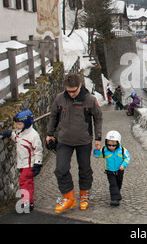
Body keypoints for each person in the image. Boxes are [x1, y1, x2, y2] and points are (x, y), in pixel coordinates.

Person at [46, 73, 103, 213]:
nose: (71, 94)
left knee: (84, 169)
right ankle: (68, 197)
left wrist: (98, 137)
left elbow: (98, 117)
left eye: (74, 91)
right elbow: (53, 116)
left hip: (83, 141)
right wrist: (49, 134)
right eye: (68, 91)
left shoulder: (90, 100)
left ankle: (84, 195)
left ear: (80, 86)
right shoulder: (60, 98)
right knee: (60, 169)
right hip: (64, 140)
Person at [0, 110, 43, 212]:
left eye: (19, 124)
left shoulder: (33, 136)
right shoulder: (20, 132)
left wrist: (38, 163)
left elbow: (38, 150)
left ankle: (26, 202)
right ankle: (30, 201)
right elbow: (18, 140)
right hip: (22, 163)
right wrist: (10, 134)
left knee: (24, 182)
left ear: (26, 123)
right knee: (28, 183)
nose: (17, 126)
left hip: (29, 164)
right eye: (17, 124)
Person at [93, 130, 130, 206]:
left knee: (118, 183)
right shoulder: (105, 150)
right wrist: (97, 149)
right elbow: (97, 155)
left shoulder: (122, 150)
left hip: (119, 170)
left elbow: (127, 157)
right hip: (110, 171)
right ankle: (115, 199)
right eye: (109, 145)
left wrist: (123, 165)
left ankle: (116, 193)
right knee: (113, 184)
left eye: (113, 145)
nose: (111, 147)